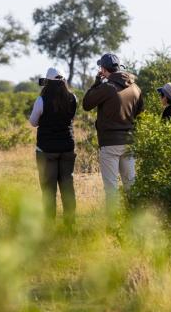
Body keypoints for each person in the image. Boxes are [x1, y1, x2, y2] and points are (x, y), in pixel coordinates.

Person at [82, 53, 144, 216]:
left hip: (109, 143)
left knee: (111, 189)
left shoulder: (106, 87)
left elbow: (86, 104)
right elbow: (140, 113)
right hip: (129, 142)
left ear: (103, 69)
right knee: (131, 185)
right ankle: (134, 221)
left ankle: (113, 225)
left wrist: (96, 83)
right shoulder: (135, 88)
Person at [29, 68, 77, 227]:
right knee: (67, 187)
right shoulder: (73, 98)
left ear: (47, 82)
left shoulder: (41, 100)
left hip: (46, 150)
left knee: (48, 190)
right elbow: (71, 118)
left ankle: (49, 225)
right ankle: (70, 224)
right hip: (67, 148)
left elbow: (33, 122)